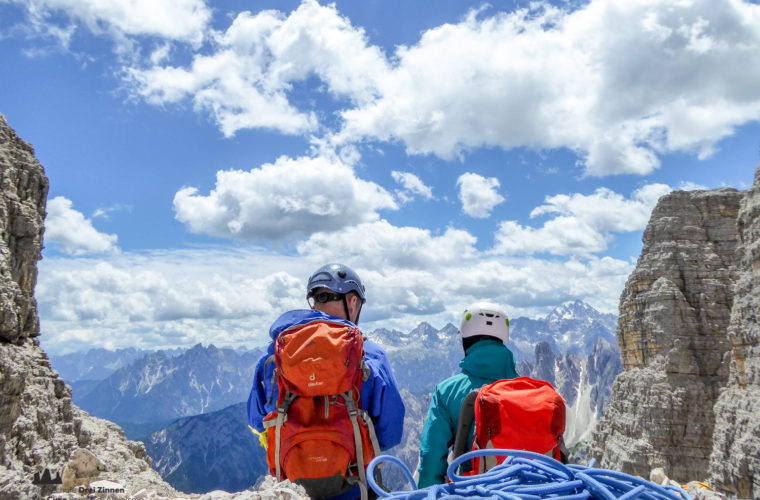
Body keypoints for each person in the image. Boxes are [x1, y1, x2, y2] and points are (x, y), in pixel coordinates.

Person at [247, 263, 405, 499]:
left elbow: (258, 422)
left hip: (292, 489)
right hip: (356, 487)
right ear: (352, 302)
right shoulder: (371, 356)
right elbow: (391, 433)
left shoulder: (273, 357)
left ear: (313, 302)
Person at [415, 301, 519, 487]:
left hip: (472, 490)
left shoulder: (447, 392)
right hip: (526, 490)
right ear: (502, 341)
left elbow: (431, 456)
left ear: (465, 342)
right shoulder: (528, 392)